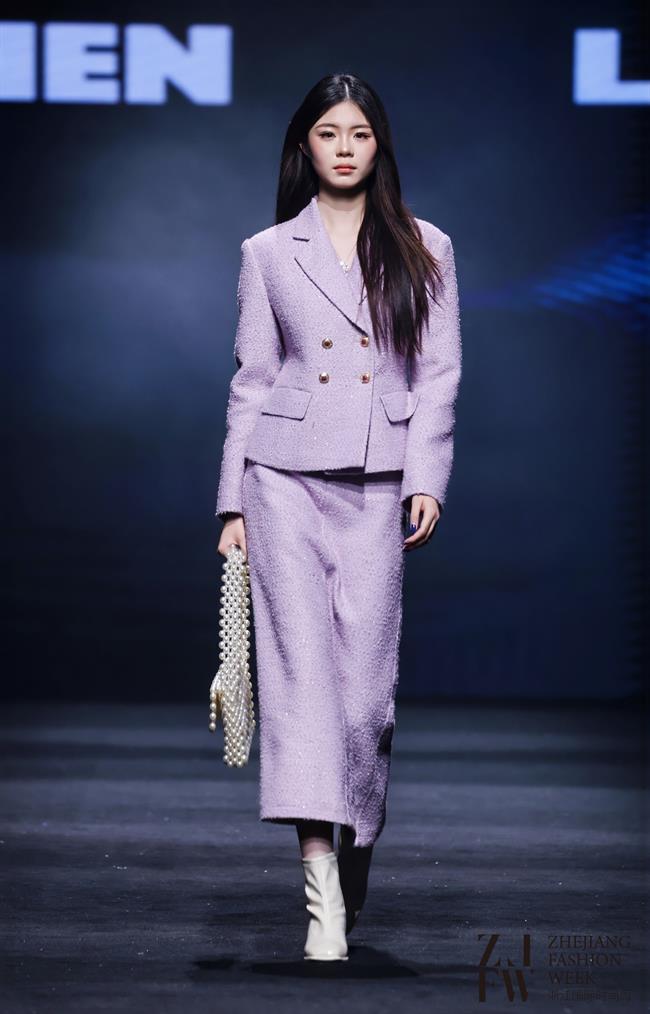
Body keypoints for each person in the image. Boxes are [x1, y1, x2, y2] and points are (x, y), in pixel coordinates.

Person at [215, 72, 462, 961]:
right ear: (305, 146)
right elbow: (251, 380)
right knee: (302, 688)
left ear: (377, 143)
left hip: (377, 482)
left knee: (363, 703)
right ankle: (320, 891)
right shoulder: (267, 252)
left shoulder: (425, 246)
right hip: (282, 478)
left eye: (358, 132)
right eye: (328, 133)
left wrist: (427, 475)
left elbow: (437, 373)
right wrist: (232, 501)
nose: (345, 147)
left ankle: (353, 844)